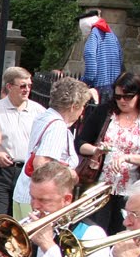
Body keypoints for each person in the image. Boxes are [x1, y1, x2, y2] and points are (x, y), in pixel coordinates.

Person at [76, 72, 140, 233]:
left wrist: (128, 158)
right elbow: (80, 142)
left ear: (139, 95)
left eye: (127, 97)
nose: (122, 101)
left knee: (121, 231)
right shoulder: (104, 113)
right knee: (95, 230)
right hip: (100, 185)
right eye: (118, 97)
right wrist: (95, 150)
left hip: (131, 189)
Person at [0, 67, 44, 239]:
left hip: (25, 172)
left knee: (20, 222)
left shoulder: (38, 111)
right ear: (9, 87)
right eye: (22, 86)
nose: (27, 89)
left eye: (29, 85)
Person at [13, 77, 92, 219]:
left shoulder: (44, 117)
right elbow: (41, 162)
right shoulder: (57, 125)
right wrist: (70, 173)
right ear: (74, 105)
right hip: (40, 202)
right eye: (83, 105)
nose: (82, 111)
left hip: (23, 193)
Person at [78, 10, 123, 103]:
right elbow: (120, 59)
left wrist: (84, 82)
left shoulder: (93, 36)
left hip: (99, 89)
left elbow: (91, 65)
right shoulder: (112, 35)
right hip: (114, 86)